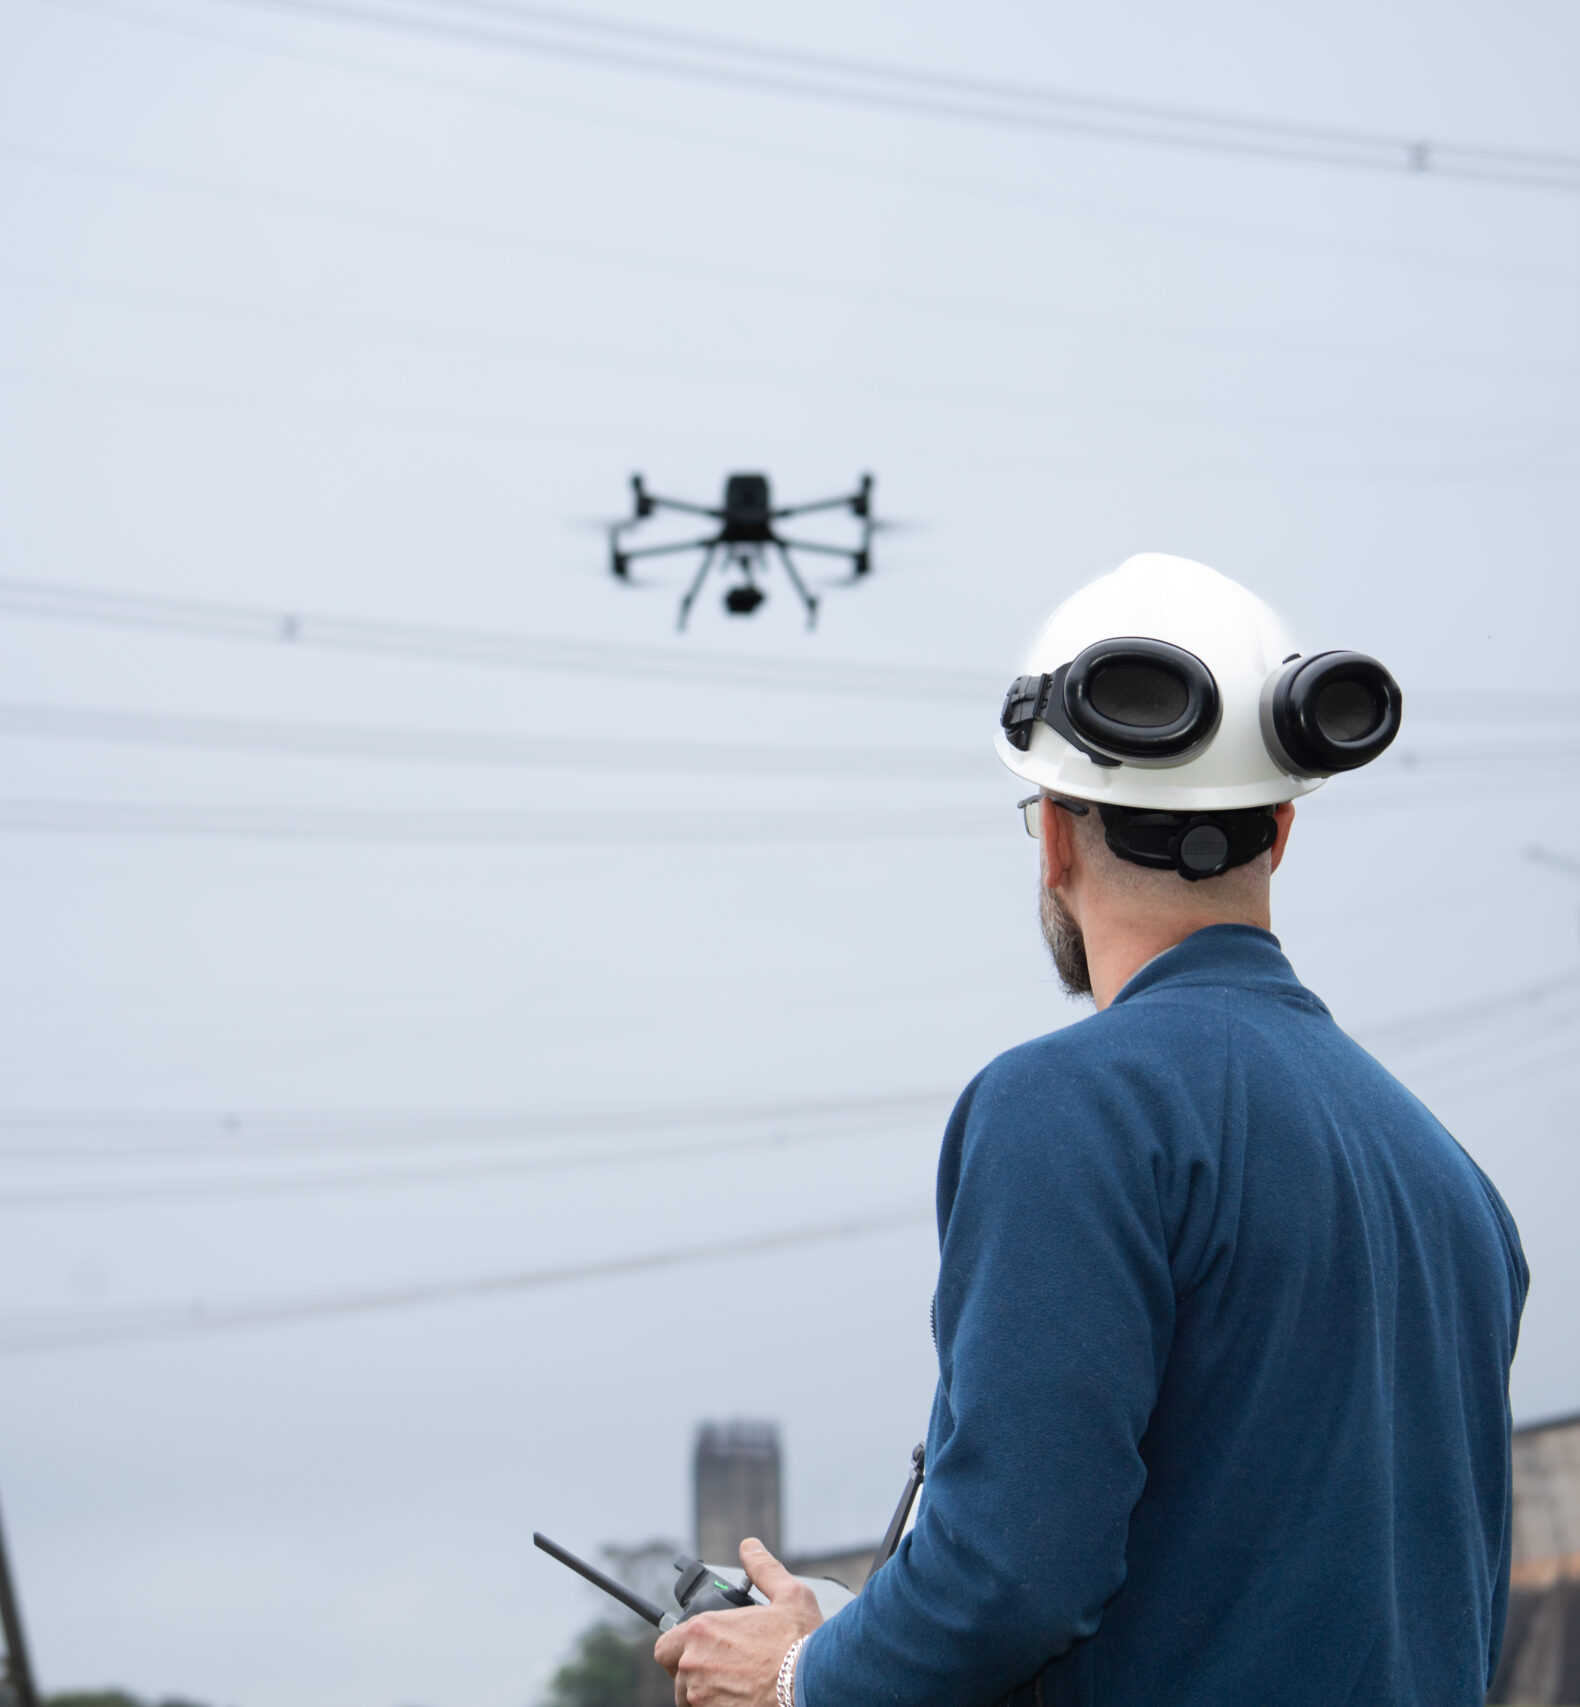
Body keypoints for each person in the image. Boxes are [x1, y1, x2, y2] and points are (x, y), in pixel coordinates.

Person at [653, 555, 1529, 1707]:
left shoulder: (1067, 1110)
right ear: (1280, 831)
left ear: (1056, 836)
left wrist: (801, 1676)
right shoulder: (1451, 1181)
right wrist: (858, 1642)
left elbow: (1014, 1579)